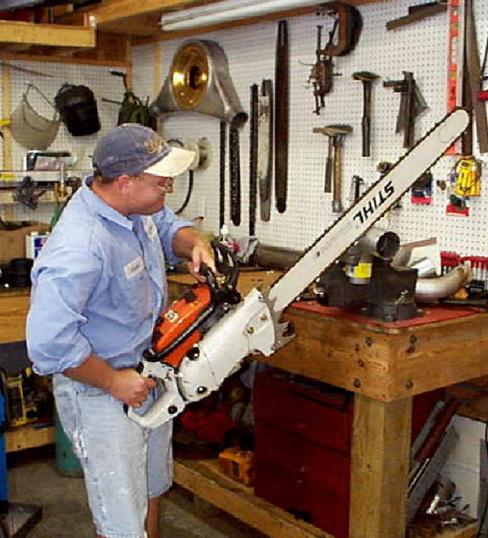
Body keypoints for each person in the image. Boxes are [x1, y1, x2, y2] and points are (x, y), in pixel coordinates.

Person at [26, 123, 216, 538]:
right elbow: (48, 346)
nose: (169, 186)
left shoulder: (133, 209)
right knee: (122, 520)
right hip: (103, 391)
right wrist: (114, 382)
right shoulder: (79, 246)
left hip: (149, 374)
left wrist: (194, 243)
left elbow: (167, 225)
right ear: (125, 181)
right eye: (161, 180)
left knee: (150, 487)